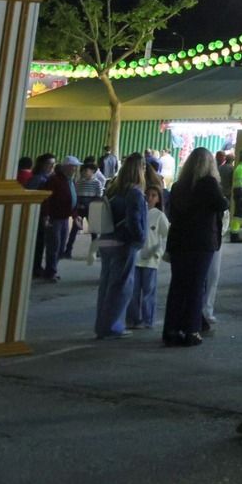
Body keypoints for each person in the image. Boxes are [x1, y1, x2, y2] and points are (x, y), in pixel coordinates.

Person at [164, 147, 228, 346]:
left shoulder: (178, 187)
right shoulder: (208, 184)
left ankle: (171, 330)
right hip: (201, 242)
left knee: (178, 285)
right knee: (196, 286)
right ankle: (192, 330)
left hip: (179, 242)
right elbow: (222, 204)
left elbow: (173, 214)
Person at [94, 154, 147, 338]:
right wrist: (140, 239)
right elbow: (134, 220)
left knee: (106, 284)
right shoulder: (135, 193)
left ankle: (102, 325)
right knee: (121, 287)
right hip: (123, 242)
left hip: (106, 239)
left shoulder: (113, 188)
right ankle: (112, 327)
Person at [127, 183, 169, 332]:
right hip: (136, 257)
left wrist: (159, 250)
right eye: (148, 195)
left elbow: (167, 234)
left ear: (158, 199)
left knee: (148, 291)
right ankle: (133, 319)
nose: (150, 198)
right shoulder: (139, 211)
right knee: (133, 291)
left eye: (154, 195)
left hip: (151, 259)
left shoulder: (159, 215)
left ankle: (147, 319)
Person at [28, 154, 74, 281]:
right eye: (49, 164)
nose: (52, 167)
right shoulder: (38, 179)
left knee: (49, 244)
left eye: (53, 164)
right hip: (41, 216)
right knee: (43, 244)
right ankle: (37, 268)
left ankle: (42, 268)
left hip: (54, 216)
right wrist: (45, 215)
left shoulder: (53, 178)